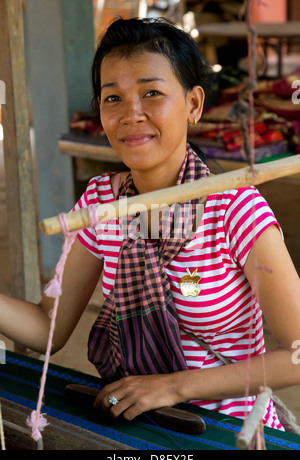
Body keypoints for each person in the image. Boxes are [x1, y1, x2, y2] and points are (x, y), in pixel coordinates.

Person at [1, 17, 300, 432]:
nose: (130, 114)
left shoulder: (235, 210)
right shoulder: (102, 203)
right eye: (112, 99)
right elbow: (46, 327)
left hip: (224, 430)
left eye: (152, 93)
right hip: (134, 421)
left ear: (194, 104)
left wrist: (173, 387)